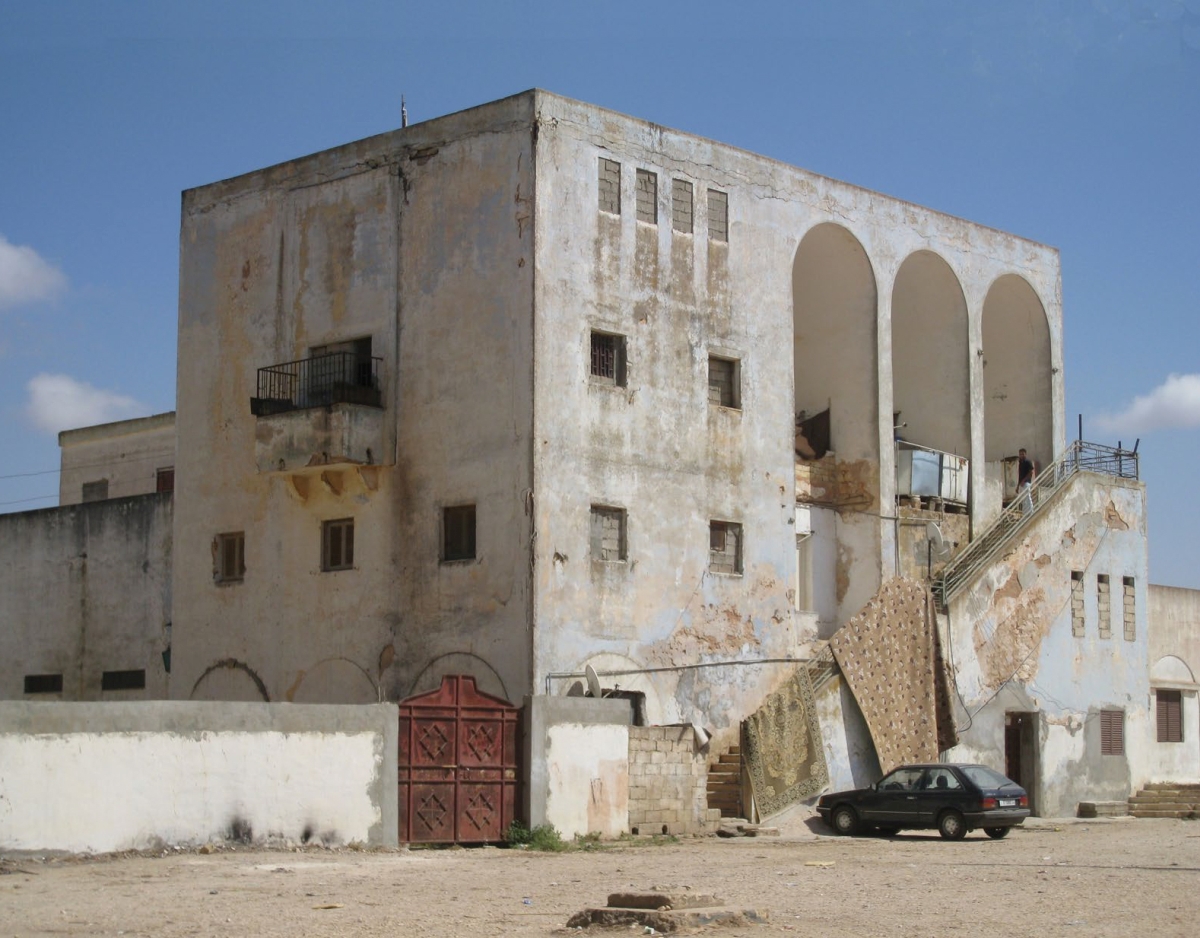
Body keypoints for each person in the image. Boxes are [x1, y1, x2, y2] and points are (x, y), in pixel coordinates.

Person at [1018, 448, 1036, 514]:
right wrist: (1017, 486)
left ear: (1025, 454)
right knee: (1023, 499)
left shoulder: (1028, 462)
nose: (1021, 455)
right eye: (1020, 454)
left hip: (1026, 483)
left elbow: (1031, 472)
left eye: (1023, 454)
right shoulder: (1020, 463)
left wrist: (1024, 480)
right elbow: (1020, 475)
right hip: (1021, 484)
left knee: (1028, 497)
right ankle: (1025, 513)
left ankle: (1031, 512)